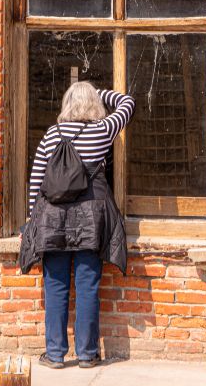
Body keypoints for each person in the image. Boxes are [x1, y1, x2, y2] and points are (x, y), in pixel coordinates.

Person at [22, 82, 135, 369]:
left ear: (67, 103)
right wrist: (102, 92)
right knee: (87, 286)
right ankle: (87, 354)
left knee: (55, 285)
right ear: (94, 104)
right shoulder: (102, 131)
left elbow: (36, 181)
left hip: (54, 220)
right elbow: (128, 104)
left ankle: (55, 354)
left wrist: (33, 220)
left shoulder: (51, 134)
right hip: (90, 220)